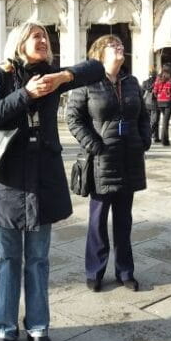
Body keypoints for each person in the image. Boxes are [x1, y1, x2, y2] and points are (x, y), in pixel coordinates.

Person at [0, 22, 103, 341]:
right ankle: (4, 329)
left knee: (38, 259)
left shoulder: (53, 75)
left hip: (43, 177)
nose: (44, 41)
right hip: (9, 180)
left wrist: (62, 78)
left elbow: (96, 68)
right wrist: (26, 94)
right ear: (20, 43)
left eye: (46, 37)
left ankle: (38, 328)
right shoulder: (1, 74)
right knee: (8, 258)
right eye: (37, 37)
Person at [66, 35, 151, 293]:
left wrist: (144, 140)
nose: (120, 48)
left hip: (129, 159)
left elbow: (145, 115)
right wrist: (95, 145)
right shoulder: (87, 83)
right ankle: (95, 271)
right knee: (98, 220)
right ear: (100, 53)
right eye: (113, 46)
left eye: (121, 45)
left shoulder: (131, 81)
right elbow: (73, 118)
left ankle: (126, 271)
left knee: (124, 221)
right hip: (101, 161)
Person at [152, 65, 171, 146]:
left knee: (164, 121)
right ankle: (165, 141)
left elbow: (154, 91)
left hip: (159, 102)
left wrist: (158, 96)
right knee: (165, 122)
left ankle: (164, 139)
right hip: (168, 102)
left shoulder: (158, 79)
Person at [141, 69, 158, 136]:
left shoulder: (145, 82)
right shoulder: (158, 82)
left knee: (149, 120)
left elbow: (141, 93)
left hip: (147, 102)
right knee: (155, 120)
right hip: (155, 103)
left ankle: (151, 134)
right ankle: (153, 134)